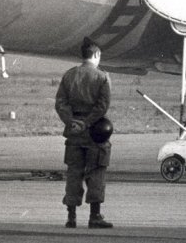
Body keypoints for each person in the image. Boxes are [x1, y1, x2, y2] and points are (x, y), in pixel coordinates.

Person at [55, 37, 113, 229]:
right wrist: (87, 123)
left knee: (74, 173)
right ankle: (94, 216)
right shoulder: (102, 77)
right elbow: (102, 106)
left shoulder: (69, 75)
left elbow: (60, 103)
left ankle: (71, 217)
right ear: (96, 55)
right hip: (94, 132)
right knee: (96, 172)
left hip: (73, 132)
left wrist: (72, 122)